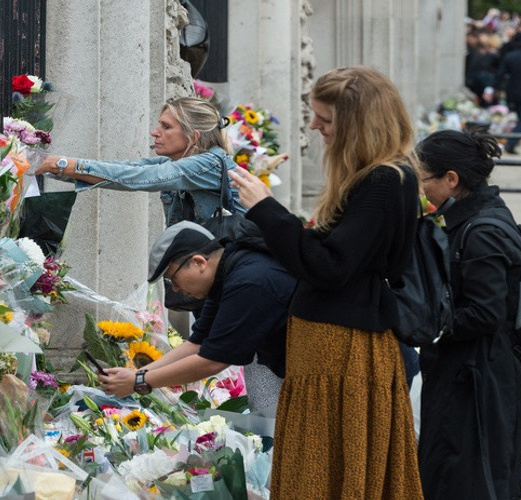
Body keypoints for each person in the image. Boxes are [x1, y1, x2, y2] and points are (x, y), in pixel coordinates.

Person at [228, 66, 423, 498]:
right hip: (331, 346)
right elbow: (332, 252)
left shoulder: (384, 181)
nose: (314, 126)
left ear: (359, 125)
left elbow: (330, 267)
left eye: (326, 119)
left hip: (342, 347)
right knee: (322, 462)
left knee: (325, 466)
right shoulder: (377, 179)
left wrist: (267, 209)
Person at [414, 129, 521, 499]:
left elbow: (485, 312)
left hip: (477, 382)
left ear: (451, 179)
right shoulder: (477, 216)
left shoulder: (481, 232)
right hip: (470, 372)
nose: (421, 188)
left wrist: (427, 328)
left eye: (423, 179)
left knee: (465, 479)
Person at [97, 220, 296, 413]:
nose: (175, 289)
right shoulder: (225, 274)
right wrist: (138, 374)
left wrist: (140, 382)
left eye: (173, 278)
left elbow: (213, 360)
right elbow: (197, 344)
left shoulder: (248, 282)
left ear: (198, 262)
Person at [35, 97, 245, 226]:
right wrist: (46, 165)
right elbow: (126, 170)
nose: (155, 132)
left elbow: (140, 178)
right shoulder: (174, 163)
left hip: (236, 272)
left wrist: (62, 164)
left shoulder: (210, 163)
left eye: (166, 127)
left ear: (194, 136)